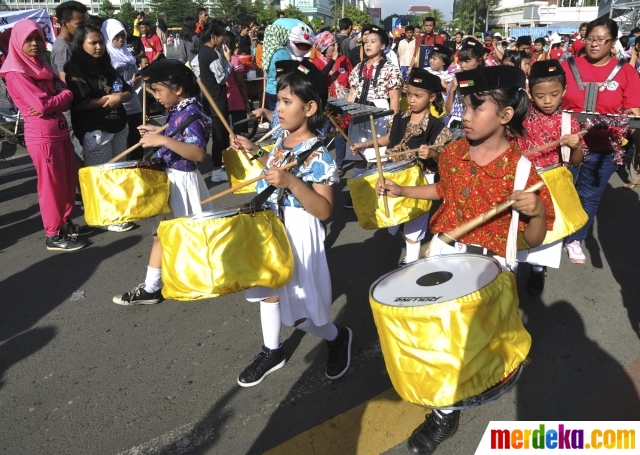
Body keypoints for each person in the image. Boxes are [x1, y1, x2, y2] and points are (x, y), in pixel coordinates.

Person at [376, 66, 554, 454]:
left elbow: (534, 237)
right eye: (464, 108)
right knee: (436, 343)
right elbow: (444, 189)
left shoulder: (523, 169)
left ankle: (446, 412)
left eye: (476, 109)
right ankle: (445, 405)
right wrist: (401, 186)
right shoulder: (454, 151)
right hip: (441, 252)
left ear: (505, 116)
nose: (465, 117)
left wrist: (537, 211)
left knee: (462, 351)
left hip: (487, 271)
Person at [229, 64, 352, 388]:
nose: (278, 109)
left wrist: (293, 182)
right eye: (278, 101)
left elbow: (325, 210)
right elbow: (274, 172)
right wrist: (256, 152)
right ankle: (272, 350)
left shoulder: (321, 156)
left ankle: (337, 336)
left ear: (309, 108)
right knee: (268, 289)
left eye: (286, 102)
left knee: (301, 309)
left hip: (298, 230)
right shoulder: (282, 140)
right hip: (270, 224)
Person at [113, 60, 213, 305]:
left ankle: (195, 280)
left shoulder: (192, 113)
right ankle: (151, 287)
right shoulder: (180, 109)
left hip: (183, 181)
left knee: (184, 234)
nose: (156, 97)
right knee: (162, 234)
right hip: (171, 178)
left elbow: (198, 153)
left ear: (178, 88)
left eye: (158, 91)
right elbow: (176, 133)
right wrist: (158, 131)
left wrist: (163, 142)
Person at [1, 19, 91, 251]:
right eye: (28, 39)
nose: (35, 44)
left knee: (67, 181)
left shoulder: (42, 65)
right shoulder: (16, 72)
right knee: (51, 186)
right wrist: (62, 96)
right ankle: (53, 233)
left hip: (58, 131)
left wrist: (59, 98)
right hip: (42, 137)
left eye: (38, 38)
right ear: (17, 43)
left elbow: (59, 96)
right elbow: (42, 105)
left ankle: (64, 222)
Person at [351, 70, 453, 263]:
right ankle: (410, 251)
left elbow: (446, 162)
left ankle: (411, 264)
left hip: (420, 179)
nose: (412, 100)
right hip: (394, 175)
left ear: (431, 97)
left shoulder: (437, 127)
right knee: (395, 220)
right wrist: (365, 144)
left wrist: (432, 154)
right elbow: (389, 139)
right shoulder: (400, 118)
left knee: (413, 227)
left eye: (418, 95)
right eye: (409, 94)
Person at [561, 18, 640, 264]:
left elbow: (634, 110)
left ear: (614, 42)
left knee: (589, 196)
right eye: (590, 39)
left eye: (601, 40)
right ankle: (553, 234)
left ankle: (575, 238)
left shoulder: (626, 71)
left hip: (604, 148)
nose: (594, 44)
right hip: (565, 144)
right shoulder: (566, 67)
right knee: (560, 191)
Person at [516, 59, 586, 294]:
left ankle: (537, 271)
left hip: (553, 185)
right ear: (530, 92)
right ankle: (511, 267)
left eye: (554, 94)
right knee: (517, 226)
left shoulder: (569, 121)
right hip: (523, 181)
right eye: (540, 95)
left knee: (548, 230)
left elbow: (576, 162)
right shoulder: (520, 117)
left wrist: (575, 146)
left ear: (564, 91)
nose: (547, 101)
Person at [64, 24, 133, 233]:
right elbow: (81, 102)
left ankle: (117, 210)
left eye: (101, 42)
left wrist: (119, 96)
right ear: (81, 44)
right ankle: (105, 216)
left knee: (118, 171)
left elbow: (128, 92)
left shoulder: (107, 65)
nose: (98, 46)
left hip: (119, 124)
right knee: (100, 174)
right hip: (95, 129)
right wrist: (110, 99)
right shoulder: (74, 68)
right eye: (93, 43)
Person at [344, 26, 403, 209]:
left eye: (373, 41)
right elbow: (352, 92)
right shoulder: (359, 67)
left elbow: (394, 98)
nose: (368, 45)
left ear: (383, 45)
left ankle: (381, 194)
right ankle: (359, 194)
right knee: (359, 155)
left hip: (379, 113)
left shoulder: (390, 69)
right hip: (357, 112)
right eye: (366, 42)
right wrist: (346, 113)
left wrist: (393, 121)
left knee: (379, 157)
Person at [198, 19, 232, 182]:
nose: (224, 39)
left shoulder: (202, 51)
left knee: (218, 135)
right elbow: (221, 78)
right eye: (222, 35)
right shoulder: (212, 53)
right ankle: (218, 170)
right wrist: (228, 61)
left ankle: (220, 167)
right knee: (220, 136)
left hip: (208, 98)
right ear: (213, 36)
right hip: (217, 99)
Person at [102, 19, 144, 151]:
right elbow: (109, 86)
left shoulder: (128, 55)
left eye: (123, 35)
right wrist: (131, 83)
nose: (121, 39)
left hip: (135, 105)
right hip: (119, 108)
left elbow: (139, 77)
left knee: (137, 144)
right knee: (123, 148)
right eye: (116, 36)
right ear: (108, 36)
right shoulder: (106, 58)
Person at [445, 40, 483, 135]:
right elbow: (448, 111)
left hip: (473, 128)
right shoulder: (456, 79)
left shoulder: (483, 81)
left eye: (467, 61)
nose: (462, 65)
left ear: (479, 61)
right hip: (454, 127)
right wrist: (453, 90)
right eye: (461, 60)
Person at [224, 31, 251, 134]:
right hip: (235, 98)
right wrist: (246, 101)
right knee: (236, 132)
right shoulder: (235, 60)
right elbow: (240, 83)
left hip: (223, 98)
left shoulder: (217, 59)